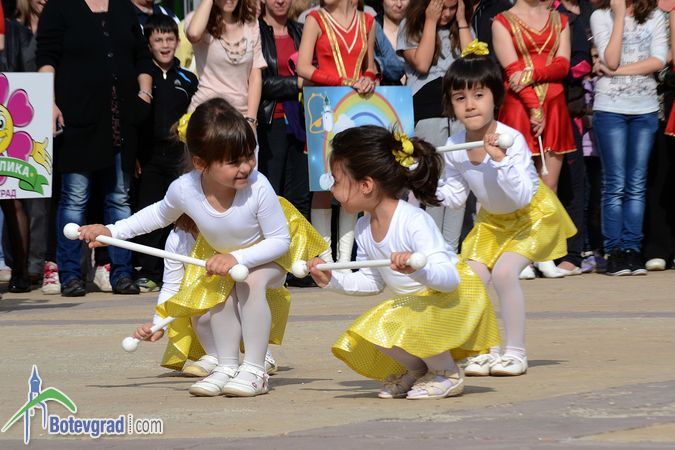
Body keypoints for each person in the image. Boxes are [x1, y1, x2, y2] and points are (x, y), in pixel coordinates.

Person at [80, 98, 325, 398]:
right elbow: (157, 215)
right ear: (200, 164)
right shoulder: (184, 189)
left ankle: (255, 370)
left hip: (269, 257)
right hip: (227, 261)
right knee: (217, 288)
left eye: (249, 156)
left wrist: (236, 257)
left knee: (248, 280)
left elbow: (279, 241)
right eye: (234, 162)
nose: (246, 167)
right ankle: (226, 366)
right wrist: (112, 231)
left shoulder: (258, 186)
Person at [307, 124, 500, 399]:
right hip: (418, 306)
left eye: (336, 180)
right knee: (374, 328)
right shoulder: (364, 227)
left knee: (403, 319)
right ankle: (420, 370)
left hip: (453, 301)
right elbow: (372, 281)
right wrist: (332, 280)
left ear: (366, 185)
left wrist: (418, 269)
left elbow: (449, 279)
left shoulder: (413, 221)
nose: (332, 188)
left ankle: (447, 372)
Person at [436, 44, 576, 376]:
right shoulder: (455, 146)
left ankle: (515, 352)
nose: (470, 105)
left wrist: (499, 160)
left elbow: (522, 196)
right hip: (492, 223)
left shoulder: (511, 139)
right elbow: (455, 198)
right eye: (460, 98)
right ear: (451, 104)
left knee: (503, 273)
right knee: (469, 279)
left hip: (530, 218)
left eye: (479, 95)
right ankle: (482, 351)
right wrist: (424, 183)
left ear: (495, 97)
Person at [37, 0, 153, 297]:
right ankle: (70, 274)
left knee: (119, 199)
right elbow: (47, 58)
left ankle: (122, 273)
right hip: (77, 117)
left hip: (121, 119)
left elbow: (142, 55)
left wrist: (144, 93)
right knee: (75, 198)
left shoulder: (123, 6)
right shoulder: (59, 7)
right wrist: (48, 102)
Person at [131, 214, 279, 377]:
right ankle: (215, 355)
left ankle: (260, 356)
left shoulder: (238, 230)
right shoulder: (177, 238)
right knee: (197, 306)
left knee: (242, 298)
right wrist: (158, 324)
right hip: (208, 296)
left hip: (249, 292)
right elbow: (172, 286)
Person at [590, 0, 668, 275]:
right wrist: (620, 15)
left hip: (645, 110)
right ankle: (614, 251)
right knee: (615, 183)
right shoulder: (601, 16)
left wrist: (616, 72)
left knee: (636, 184)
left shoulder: (655, 16)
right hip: (610, 109)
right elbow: (610, 58)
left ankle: (632, 249)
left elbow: (658, 60)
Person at [296, 0, 376, 266]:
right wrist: (342, 81)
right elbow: (303, 67)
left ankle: (344, 261)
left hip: (355, 107)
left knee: (353, 181)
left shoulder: (367, 21)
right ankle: (326, 259)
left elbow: (371, 66)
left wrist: (367, 78)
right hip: (324, 105)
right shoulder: (314, 19)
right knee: (323, 184)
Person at [397, 0, 472, 251]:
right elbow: (422, 63)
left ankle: (450, 249)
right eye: (443, 7)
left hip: (460, 111)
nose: (447, 13)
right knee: (434, 180)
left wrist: (462, 21)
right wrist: (430, 20)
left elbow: (473, 61)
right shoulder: (411, 25)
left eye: (453, 7)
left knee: (459, 180)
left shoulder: (461, 26)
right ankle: (432, 249)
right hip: (427, 111)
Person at [133, 14, 198, 293]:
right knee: (151, 212)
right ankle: (149, 272)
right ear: (148, 44)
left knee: (182, 214)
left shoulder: (188, 79)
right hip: (149, 158)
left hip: (180, 157)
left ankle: (183, 269)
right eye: (158, 39)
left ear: (178, 41)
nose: (165, 45)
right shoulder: (142, 78)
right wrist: (135, 155)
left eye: (169, 38)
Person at [492, 0, 576, 192]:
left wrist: (531, 75)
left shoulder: (560, 20)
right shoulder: (501, 22)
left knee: (549, 186)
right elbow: (513, 72)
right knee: (519, 183)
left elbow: (563, 66)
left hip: (554, 106)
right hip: (519, 106)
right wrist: (534, 108)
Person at [185, 0, 265, 126]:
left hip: (240, 117)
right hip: (206, 115)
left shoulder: (251, 23)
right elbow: (193, 34)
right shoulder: (198, 19)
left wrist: (251, 120)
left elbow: (255, 76)